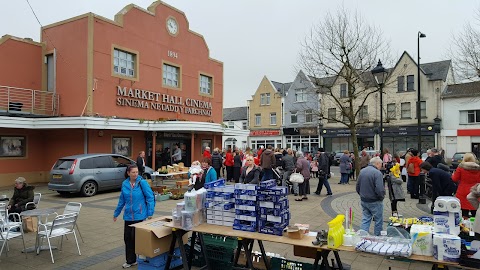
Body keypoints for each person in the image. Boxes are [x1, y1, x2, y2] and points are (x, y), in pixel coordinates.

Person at [113, 165, 155, 269]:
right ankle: (131, 260)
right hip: (128, 216)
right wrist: (116, 213)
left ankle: (143, 259)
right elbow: (122, 200)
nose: (135, 174)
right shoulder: (125, 184)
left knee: (138, 239)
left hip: (140, 215)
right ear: (128, 173)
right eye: (133, 172)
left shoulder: (142, 183)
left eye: (137, 172)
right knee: (128, 239)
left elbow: (150, 197)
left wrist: (150, 212)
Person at [356, 157, 385, 236]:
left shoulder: (362, 171)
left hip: (364, 200)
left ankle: (362, 236)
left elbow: (357, 186)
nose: (381, 167)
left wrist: (362, 195)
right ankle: (377, 238)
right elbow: (379, 189)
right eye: (381, 165)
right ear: (377, 163)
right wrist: (381, 197)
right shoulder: (377, 173)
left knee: (366, 219)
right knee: (378, 221)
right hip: (375, 200)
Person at [452, 152, 480, 217]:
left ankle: (465, 225)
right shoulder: (478, 168)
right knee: (475, 211)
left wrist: (453, 174)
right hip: (475, 191)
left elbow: (455, 179)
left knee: (464, 213)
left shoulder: (461, 167)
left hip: (462, 191)